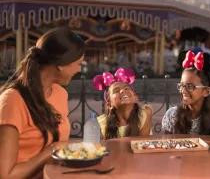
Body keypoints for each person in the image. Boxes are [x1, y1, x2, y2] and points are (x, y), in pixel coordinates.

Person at [0, 27, 85, 178]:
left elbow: (59, 144)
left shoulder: (60, 93)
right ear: (61, 64)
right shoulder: (12, 100)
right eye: (78, 64)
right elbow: (6, 175)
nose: (80, 70)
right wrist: (48, 153)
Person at [162, 50, 210, 135]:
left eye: (189, 86)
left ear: (206, 91)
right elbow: (166, 145)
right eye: (181, 85)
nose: (183, 90)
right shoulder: (172, 115)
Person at [93, 68, 152, 139]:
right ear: (109, 104)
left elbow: (140, 144)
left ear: (135, 96)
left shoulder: (145, 114)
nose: (122, 91)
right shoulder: (101, 123)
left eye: (126, 88)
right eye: (116, 90)